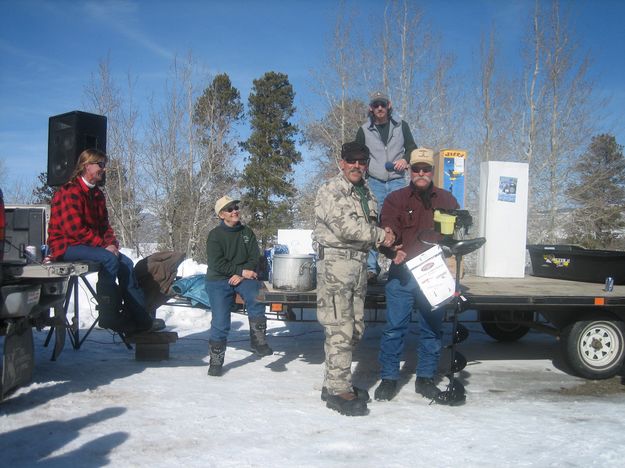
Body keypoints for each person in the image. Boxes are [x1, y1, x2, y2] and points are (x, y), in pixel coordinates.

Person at [312, 141, 396, 416]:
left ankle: (333, 382)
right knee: (340, 329)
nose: (357, 166)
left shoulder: (366, 193)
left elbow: (369, 228)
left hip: (358, 266)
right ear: (342, 162)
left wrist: (391, 244)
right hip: (336, 265)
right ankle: (338, 390)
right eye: (352, 160)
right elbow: (348, 227)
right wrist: (382, 236)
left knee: (356, 328)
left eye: (362, 161)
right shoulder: (331, 190)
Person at [374, 148, 459, 402]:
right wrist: (390, 247)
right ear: (409, 171)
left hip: (434, 273)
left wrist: (461, 228)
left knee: (432, 329)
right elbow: (386, 227)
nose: (421, 173)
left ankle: (425, 378)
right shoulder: (395, 199)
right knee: (393, 329)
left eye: (426, 169)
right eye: (416, 169)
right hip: (403, 274)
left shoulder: (447, 200)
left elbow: (454, 237)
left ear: (432, 171)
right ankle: (389, 379)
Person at [47, 148, 163, 335]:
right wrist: (104, 247)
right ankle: (108, 314)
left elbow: (104, 227)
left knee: (125, 262)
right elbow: (74, 230)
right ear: (86, 166)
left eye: (104, 165)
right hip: (65, 245)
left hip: (88, 245)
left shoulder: (98, 195)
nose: (104, 169)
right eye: (100, 164)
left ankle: (141, 319)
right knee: (109, 259)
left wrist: (112, 245)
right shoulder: (70, 191)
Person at [204, 195, 272, 377]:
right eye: (229, 209)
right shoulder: (215, 236)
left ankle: (258, 341)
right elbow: (216, 263)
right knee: (220, 321)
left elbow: (253, 256)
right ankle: (216, 361)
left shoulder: (246, 232)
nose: (235, 211)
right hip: (218, 279)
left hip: (244, 277)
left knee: (257, 295)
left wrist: (244, 273)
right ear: (221, 215)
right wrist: (240, 272)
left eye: (236, 207)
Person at [356, 91, 417, 283]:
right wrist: (362, 174)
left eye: (382, 104)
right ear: (371, 108)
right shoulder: (364, 130)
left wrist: (405, 160)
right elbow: (358, 155)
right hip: (374, 181)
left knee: (400, 222)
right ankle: (372, 269)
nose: (379, 108)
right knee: (373, 221)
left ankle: (397, 266)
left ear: (389, 105)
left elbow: (412, 148)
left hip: (397, 180)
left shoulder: (401, 126)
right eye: (376, 105)